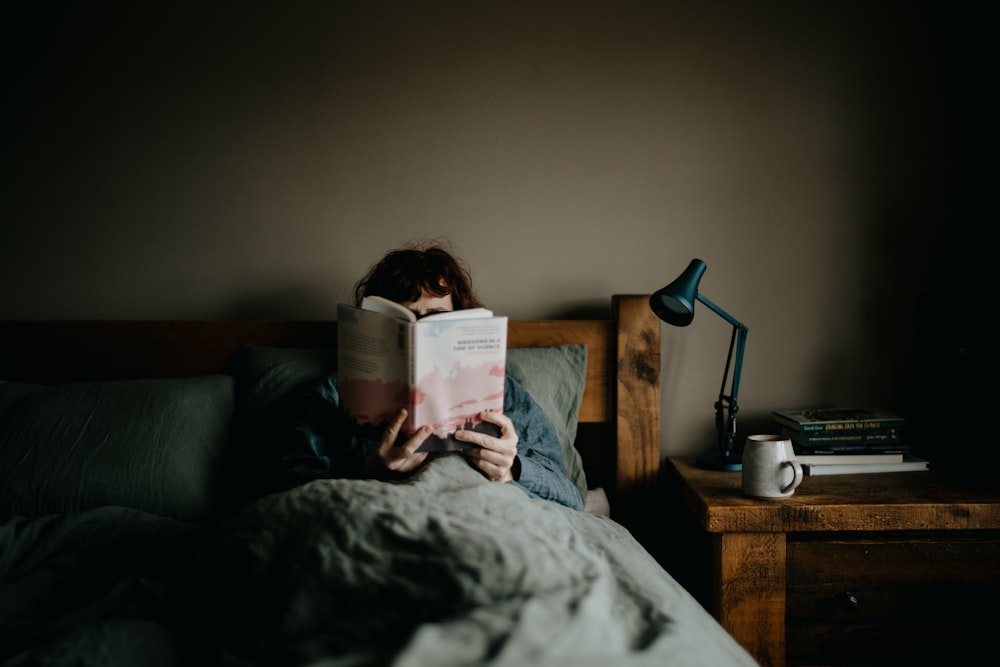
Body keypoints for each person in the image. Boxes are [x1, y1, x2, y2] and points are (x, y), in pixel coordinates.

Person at [249, 242, 584, 511]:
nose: (422, 328)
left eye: (436, 318)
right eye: (406, 318)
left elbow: (570, 496)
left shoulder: (503, 393)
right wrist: (366, 474)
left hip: (485, 519)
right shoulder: (331, 394)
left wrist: (512, 469)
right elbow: (279, 493)